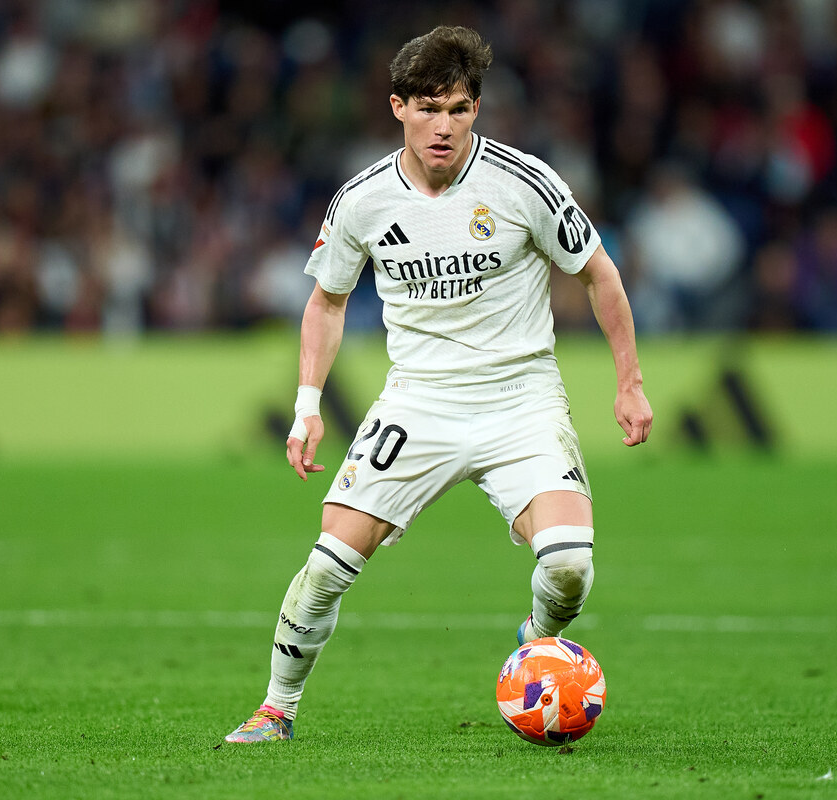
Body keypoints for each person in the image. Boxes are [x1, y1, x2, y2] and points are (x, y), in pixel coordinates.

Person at [225, 25, 653, 743]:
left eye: (457, 109)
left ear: (476, 108)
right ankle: (276, 709)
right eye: (428, 108)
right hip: (418, 403)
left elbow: (598, 274)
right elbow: (327, 302)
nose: (443, 126)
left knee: (570, 569)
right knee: (327, 565)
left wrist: (630, 382)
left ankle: (537, 639)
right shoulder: (362, 200)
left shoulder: (525, 183)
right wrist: (307, 406)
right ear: (398, 107)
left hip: (521, 401)